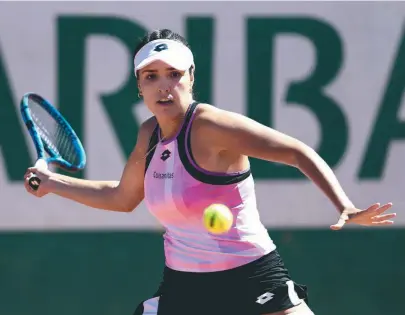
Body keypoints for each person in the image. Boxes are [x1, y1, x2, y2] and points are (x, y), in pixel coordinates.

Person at [24, 29, 396, 315]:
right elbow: (122, 198)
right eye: (151, 76)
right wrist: (55, 183)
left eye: (173, 74)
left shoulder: (212, 126)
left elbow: (296, 152)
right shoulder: (148, 135)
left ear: (190, 77)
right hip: (184, 287)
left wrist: (343, 204)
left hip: (251, 275)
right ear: (139, 85)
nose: (164, 86)